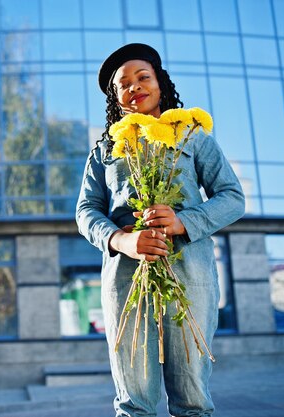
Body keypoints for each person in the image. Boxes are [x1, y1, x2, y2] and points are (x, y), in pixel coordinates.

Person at [76, 43, 245, 416]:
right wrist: (122, 239)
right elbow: (86, 211)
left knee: (193, 400)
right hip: (125, 282)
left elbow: (232, 197)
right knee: (134, 403)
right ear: (116, 99)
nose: (134, 86)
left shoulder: (191, 136)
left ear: (160, 84)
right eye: (123, 84)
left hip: (191, 277)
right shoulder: (104, 150)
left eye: (143, 77)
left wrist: (185, 220)